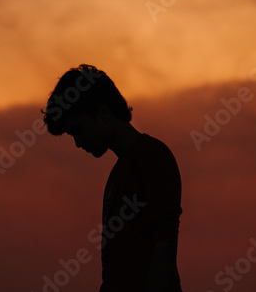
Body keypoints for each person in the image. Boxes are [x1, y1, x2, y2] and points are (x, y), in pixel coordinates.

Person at [42, 64, 183, 292]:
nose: (78, 142)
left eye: (78, 130)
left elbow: (164, 248)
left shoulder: (153, 158)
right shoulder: (119, 173)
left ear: (103, 114)